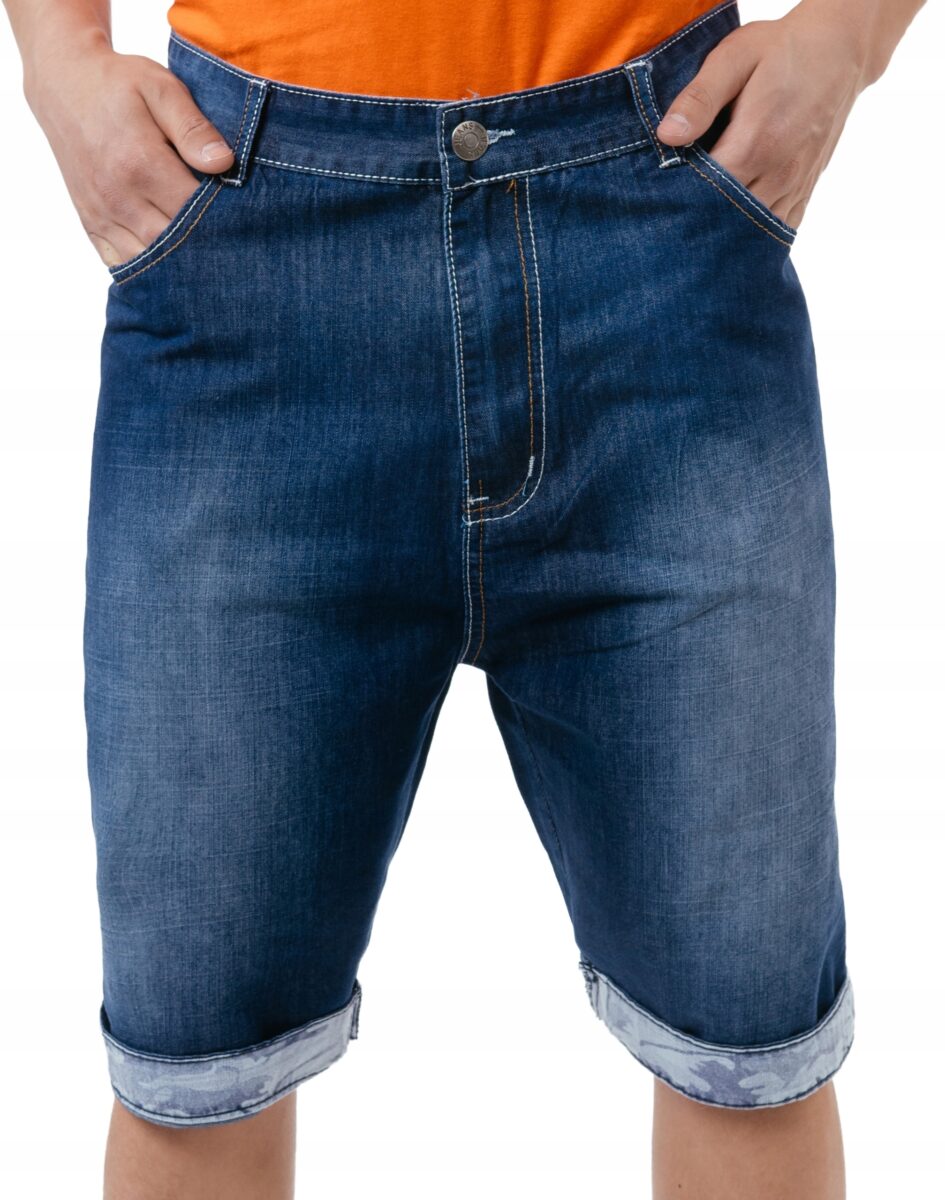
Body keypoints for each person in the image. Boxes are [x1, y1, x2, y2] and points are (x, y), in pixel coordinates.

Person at [1, 0, 925, 1196]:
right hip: (249, 245)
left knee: (747, 1036)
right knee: (197, 1052)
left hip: (659, 238)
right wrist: (58, 58)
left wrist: (854, 35)